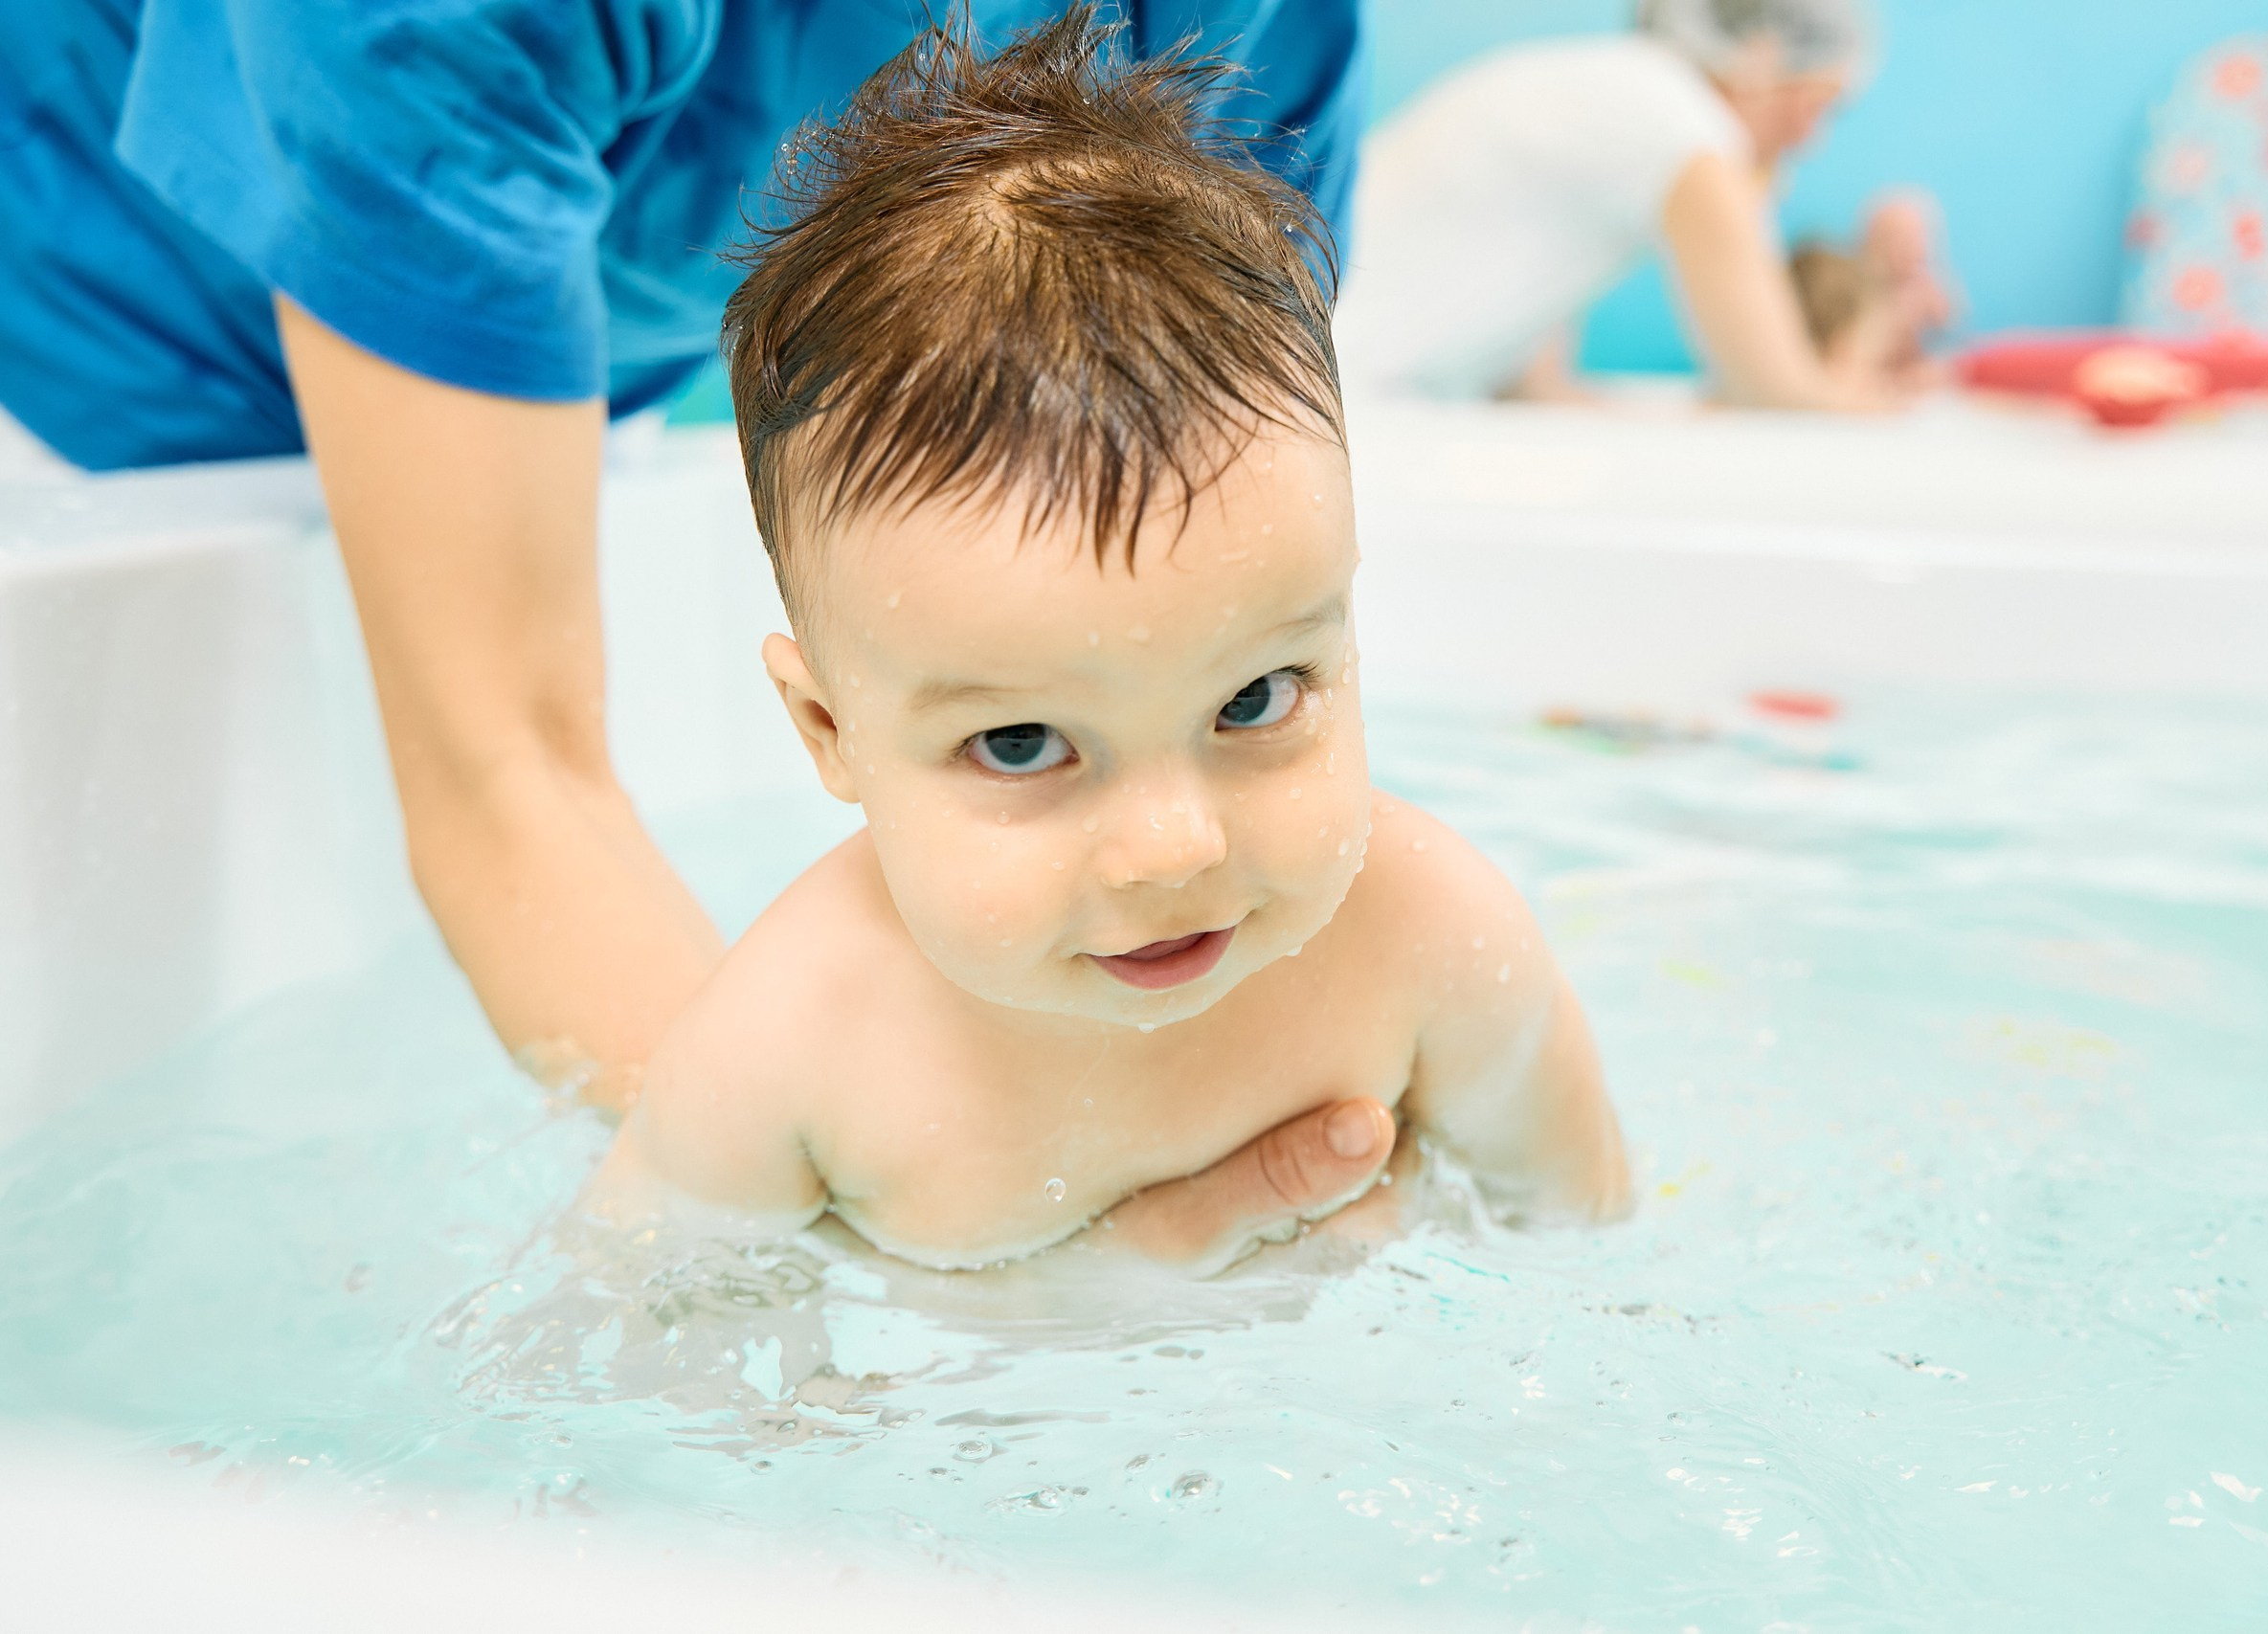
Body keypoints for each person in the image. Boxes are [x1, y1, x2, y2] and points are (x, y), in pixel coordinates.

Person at [0, 0, 1379, 1263]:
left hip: (575, 299)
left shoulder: (1244, 19)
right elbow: (510, 775)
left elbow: (1229, 604)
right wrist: (931, 1254)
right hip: (108, 361)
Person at [589, 11, 1633, 1271]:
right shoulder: (795, 1043)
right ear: (829, 731)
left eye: (1254, 699)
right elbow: (647, 1334)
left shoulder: (1430, 934)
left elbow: (1590, 1258)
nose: (1173, 848)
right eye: (1022, 743)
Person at [1335, 0, 1943, 410]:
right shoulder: (1686, 126)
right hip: (1341, 397)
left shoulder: (1616, 90)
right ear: (1762, 57)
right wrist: (1901, 393)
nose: (1812, 139)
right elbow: (1776, 386)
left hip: (1309, 381)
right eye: (1819, 104)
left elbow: (1532, 381)